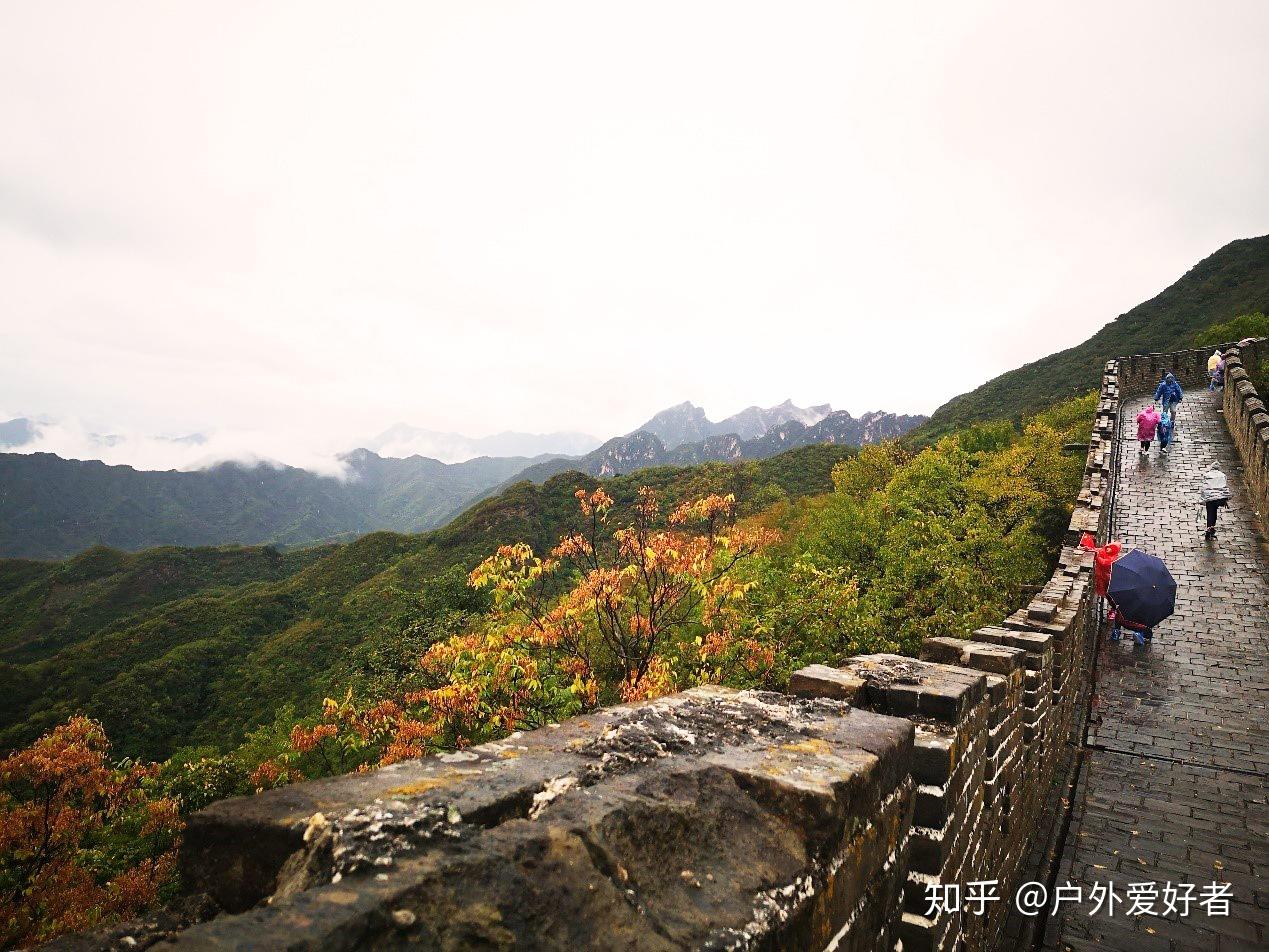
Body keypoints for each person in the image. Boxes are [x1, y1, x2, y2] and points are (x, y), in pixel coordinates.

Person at [1200, 462, 1231, 539]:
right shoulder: (1223, 475)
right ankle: (1212, 527)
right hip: (1218, 498)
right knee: (1214, 512)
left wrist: (1203, 498)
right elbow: (1224, 487)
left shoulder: (1207, 475)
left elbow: (1204, 487)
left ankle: (1209, 528)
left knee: (1210, 512)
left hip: (1209, 498)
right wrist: (1225, 499)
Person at [1153, 373, 1183, 437]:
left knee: (1173, 411)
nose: (1170, 379)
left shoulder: (1175, 384)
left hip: (1173, 401)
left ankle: (1172, 422)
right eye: (1168, 378)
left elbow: (1179, 391)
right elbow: (1159, 392)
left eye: (1171, 378)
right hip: (1166, 401)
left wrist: (1180, 397)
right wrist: (1156, 398)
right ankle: (1164, 422)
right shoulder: (1163, 385)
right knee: (1165, 412)